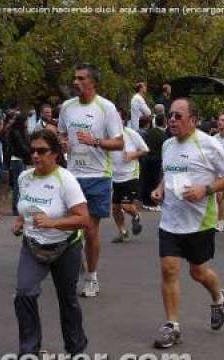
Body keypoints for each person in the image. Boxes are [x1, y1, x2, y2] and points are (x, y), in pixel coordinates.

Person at [151, 98, 224, 349]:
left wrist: (205, 189)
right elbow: (167, 174)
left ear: (193, 120)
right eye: (170, 115)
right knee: (169, 269)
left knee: (198, 272)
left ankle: (219, 298)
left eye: (178, 116)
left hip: (199, 221)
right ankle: (172, 326)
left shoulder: (208, 144)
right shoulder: (167, 144)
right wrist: (159, 189)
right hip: (170, 220)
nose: (173, 120)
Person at [11, 129, 89, 360]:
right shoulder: (25, 178)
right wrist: (19, 222)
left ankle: (76, 348)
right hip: (33, 245)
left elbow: (83, 219)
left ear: (55, 153)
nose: (35, 155)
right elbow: (24, 208)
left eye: (42, 151)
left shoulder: (65, 180)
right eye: (32, 150)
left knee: (67, 299)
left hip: (65, 247)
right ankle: (29, 353)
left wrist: (54, 222)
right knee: (24, 293)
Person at [58, 63, 124, 297]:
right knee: (70, 228)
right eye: (74, 78)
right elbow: (62, 134)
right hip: (73, 175)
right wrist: (63, 143)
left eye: (81, 78)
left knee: (90, 230)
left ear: (92, 82)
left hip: (98, 176)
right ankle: (78, 264)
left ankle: (92, 278)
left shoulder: (106, 108)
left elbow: (119, 143)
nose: (75, 82)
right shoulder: (67, 107)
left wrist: (95, 141)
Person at [111, 116, 149, 243]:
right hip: (115, 176)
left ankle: (136, 215)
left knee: (126, 206)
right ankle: (123, 232)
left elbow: (145, 150)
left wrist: (133, 154)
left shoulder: (131, 134)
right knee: (115, 208)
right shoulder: (108, 135)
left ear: (122, 121)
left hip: (130, 175)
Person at [141, 114, 167, 211]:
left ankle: (146, 202)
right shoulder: (163, 135)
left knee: (147, 180)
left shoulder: (149, 132)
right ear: (164, 122)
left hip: (146, 158)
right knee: (157, 181)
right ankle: (155, 203)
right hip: (157, 160)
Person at [9, 114, 31, 216]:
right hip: (17, 159)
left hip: (20, 159)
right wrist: (30, 151)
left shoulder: (22, 131)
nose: (27, 123)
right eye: (26, 121)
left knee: (21, 183)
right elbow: (22, 147)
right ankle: (15, 207)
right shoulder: (16, 132)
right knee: (18, 184)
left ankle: (18, 206)